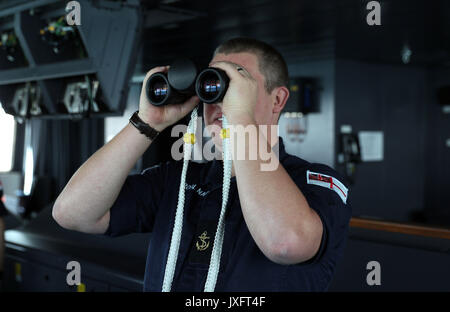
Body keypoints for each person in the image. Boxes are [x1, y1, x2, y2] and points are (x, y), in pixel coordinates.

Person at [52, 37, 352, 292]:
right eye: (214, 84)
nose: (221, 100)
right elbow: (72, 213)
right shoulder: (178, 179)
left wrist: (240, 121)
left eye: (237, 84)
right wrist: (146, 123)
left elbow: (285, 243)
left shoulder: (314, 182)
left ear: (278, 100)